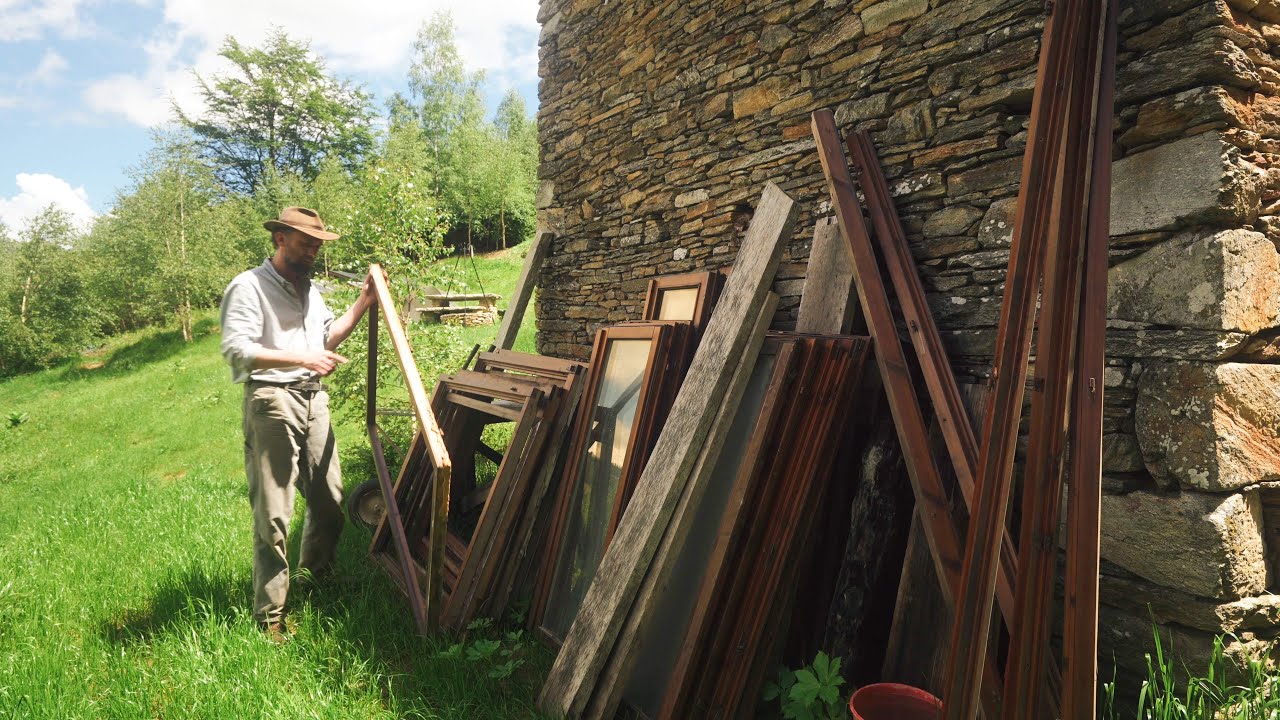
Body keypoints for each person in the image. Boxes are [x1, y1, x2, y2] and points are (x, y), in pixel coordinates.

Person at [219, 206, 375, 638]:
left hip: (313, 400)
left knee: (329, 500)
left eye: (317, 244)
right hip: (271, 400)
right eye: (305, 242)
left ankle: (314, 578)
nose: (312, 251)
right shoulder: (248, 286)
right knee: (274, 512)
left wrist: (363, 302)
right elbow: (237, 350)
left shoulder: (311, 291)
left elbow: (326, 338)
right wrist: (303, 357)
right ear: (280, 239)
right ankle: (270, 617)